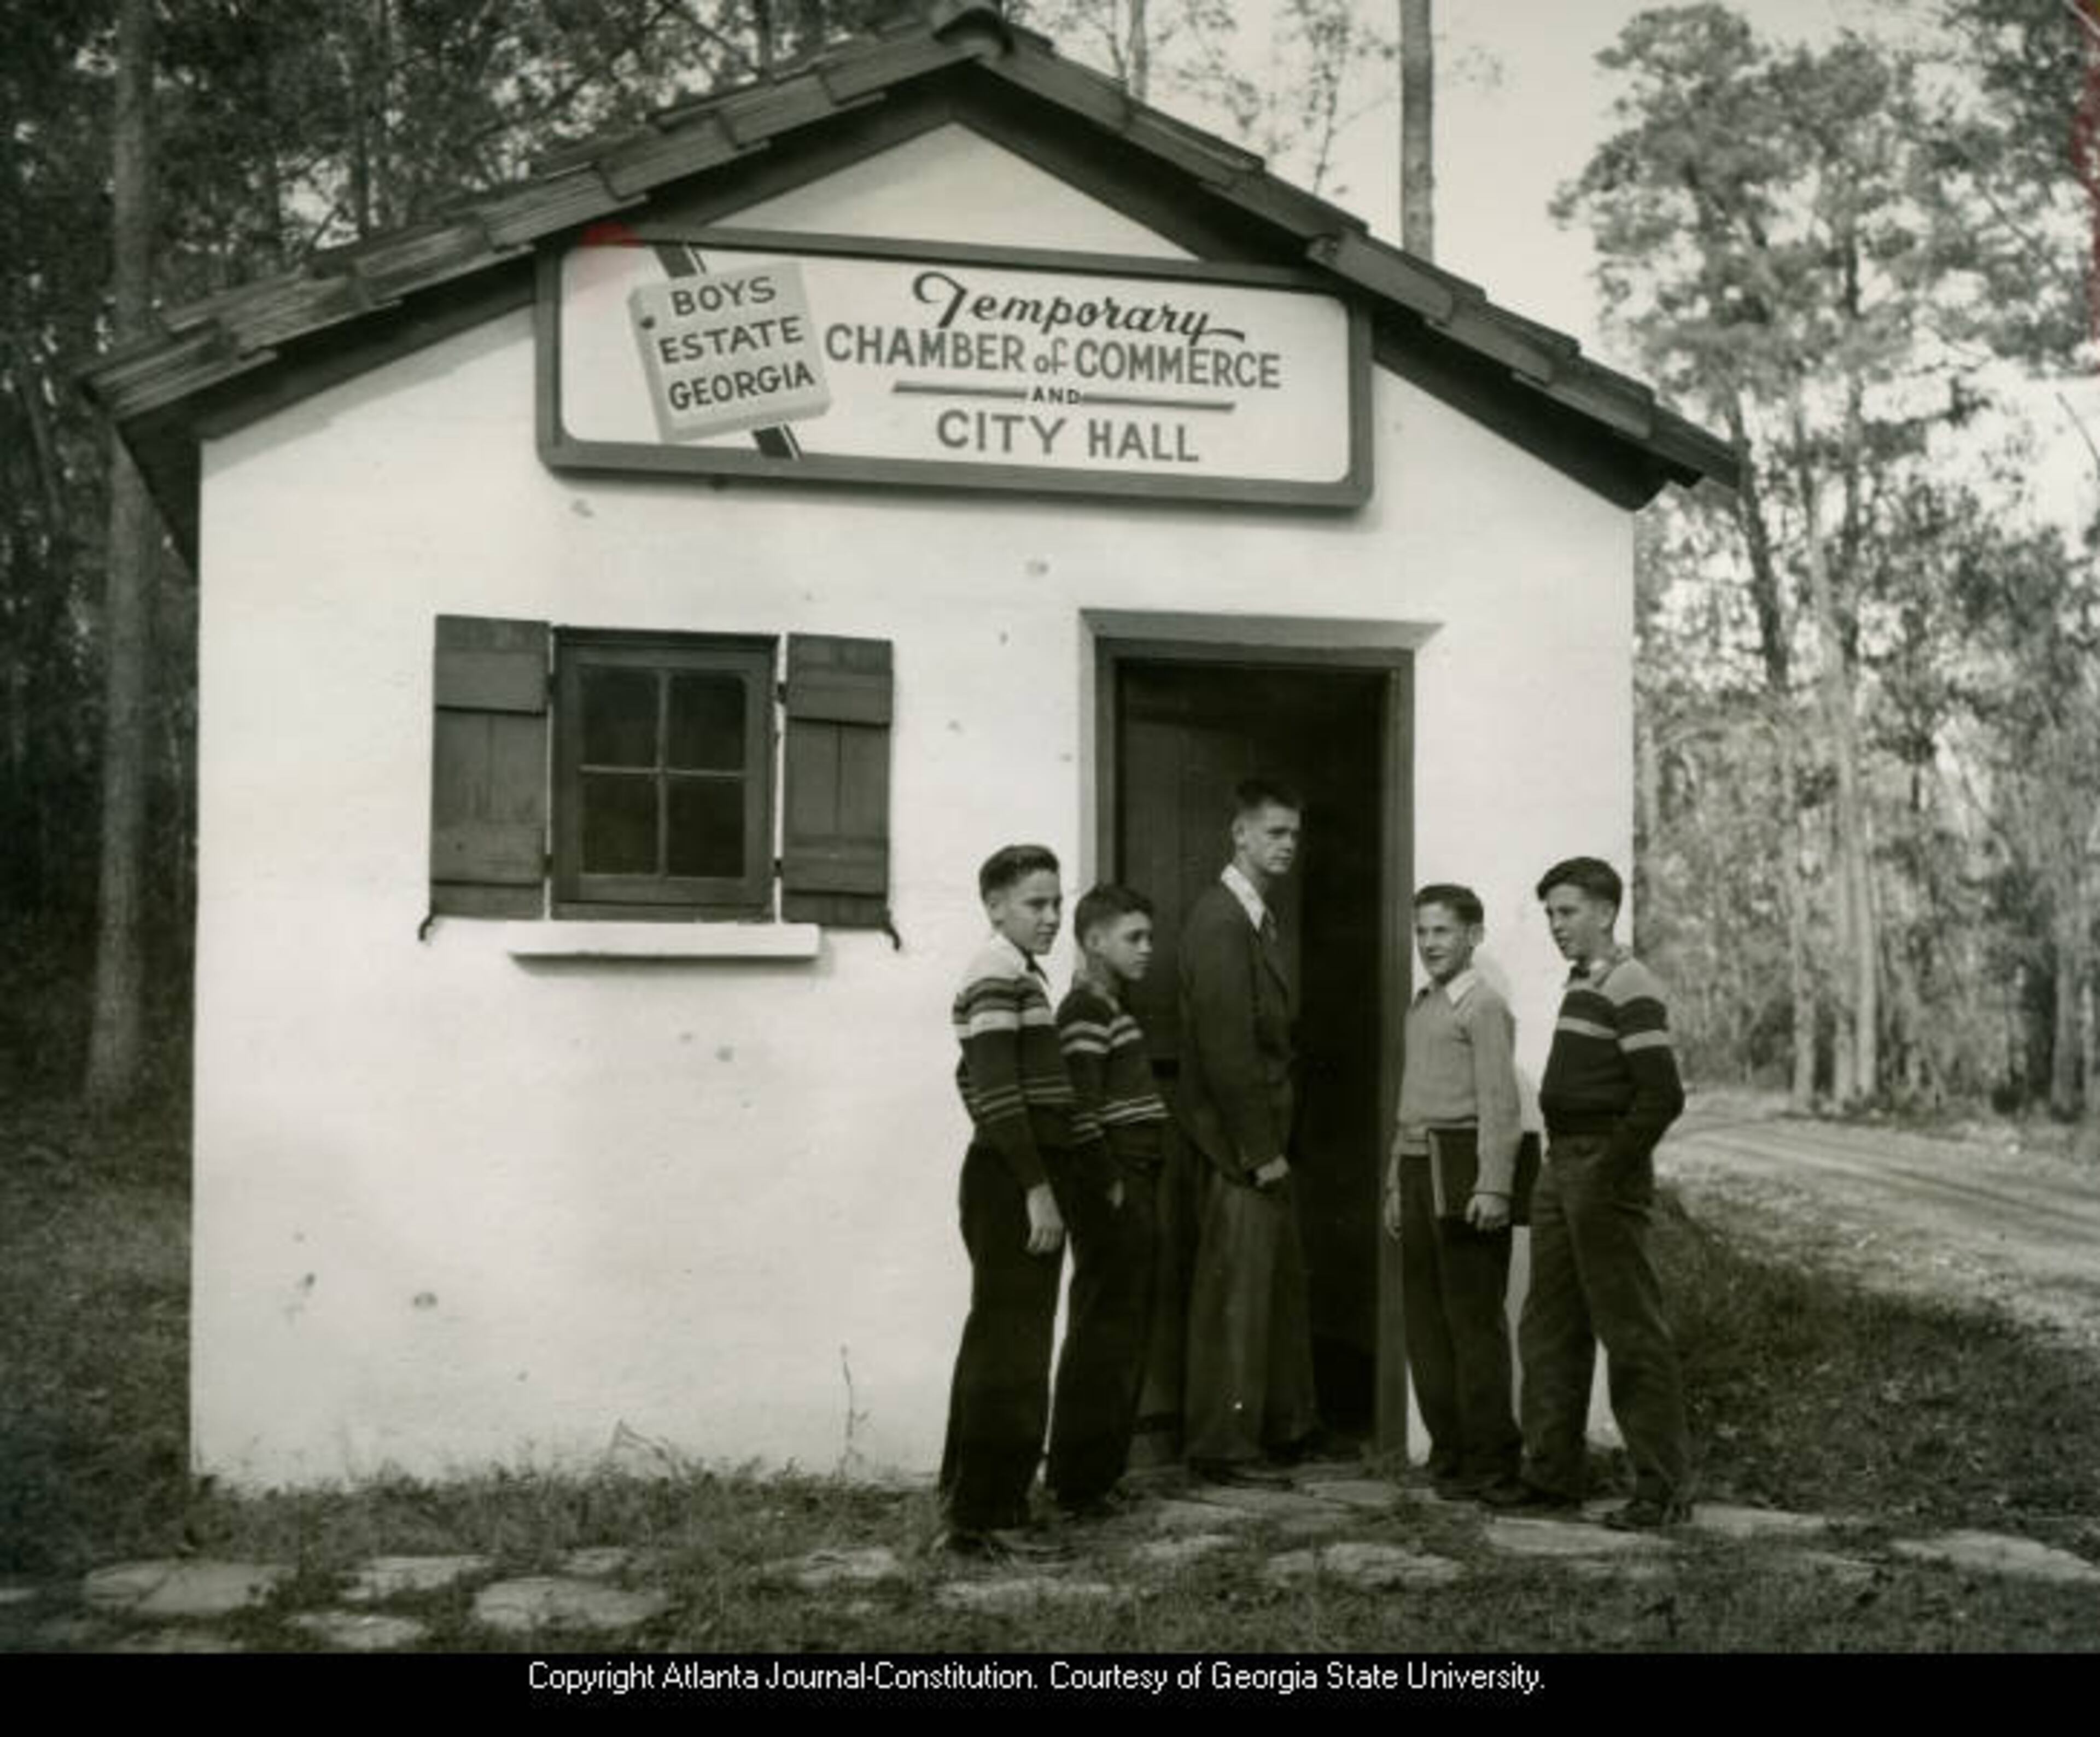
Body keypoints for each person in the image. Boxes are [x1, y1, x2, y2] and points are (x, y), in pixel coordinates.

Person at [1485, 855, 1692, 1530]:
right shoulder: (1585, 981)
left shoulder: (1633, 984)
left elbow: (1662, 1094)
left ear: (1606, 912)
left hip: (1603, 1169)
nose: (1556, 925)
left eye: (1567, 911)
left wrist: (1609, 1169)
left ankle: (1661, 1493)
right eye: (1549, 913)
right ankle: (1551, 1478)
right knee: (1549, 1326)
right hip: (1559, 1164)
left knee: (1631, 1332)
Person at [936, 843, 1082, 1560]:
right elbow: (996, 1093)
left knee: (996, 1334)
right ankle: (988, 1517)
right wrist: (1037, 1191)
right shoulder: (998, 974)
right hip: (1010, 1180)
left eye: (1057, 902)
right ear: (995, 907)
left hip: (1006, 1172)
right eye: (1037, 904)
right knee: (1014, 1347)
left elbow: (976, 1081)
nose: (1053, 916)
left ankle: (967, 1495)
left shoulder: (1016, 974)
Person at [1176, 778, 1321, 1485]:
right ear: (1239, 834)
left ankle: (1278, 1431)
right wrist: (1260, 1153)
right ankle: (1223, 1447)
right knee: (1236, 1294)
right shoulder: (1221, 920)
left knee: (1270, 1286)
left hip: (1261, 1140)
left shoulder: (1255, 917)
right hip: (1238, 1147)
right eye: (1274, 833)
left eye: (1294, 834)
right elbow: (1227, 1049)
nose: (1287, 845)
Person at [1383, 883, 1525, 1501]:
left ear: (1474, 935)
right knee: (1426, 1323)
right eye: (1421, 931)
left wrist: (1495, 1184)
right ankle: (1450, 1452)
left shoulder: (1483, 1006)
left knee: (1472, 1322)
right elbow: (1409, 1105)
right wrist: (1394, 1180)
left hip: (1463, 1172)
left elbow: (1501, 1103)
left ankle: (1491, 1461)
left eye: (1442, 931)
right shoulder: (1422, 1005)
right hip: (1415, 1171)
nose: (1430, 943)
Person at [1046, 884, 1170, 1519]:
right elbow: (1077, 1109)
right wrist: (1111, 1182)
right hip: (1117, 1181)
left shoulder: (1109, 1005)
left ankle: (1097, 1475)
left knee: (1121, 1330)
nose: (1148, 948)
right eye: (1134, 937)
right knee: (1104, 1331)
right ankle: (1078, 1482)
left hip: (1136, 1176)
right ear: (1095, 941)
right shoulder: (1086, 1010)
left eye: (1149, 936)